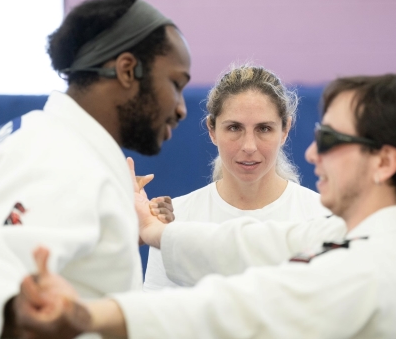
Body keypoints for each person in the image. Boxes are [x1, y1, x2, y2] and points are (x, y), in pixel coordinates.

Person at [13, 73, 396, 338]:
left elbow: (238, 306)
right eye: (234, 128)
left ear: (384, 162)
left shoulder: (366, 270)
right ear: (213, 129)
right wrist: (153, 232)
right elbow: (252, 242)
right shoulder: (361, 238)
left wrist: (87, 314)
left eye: (331, 140)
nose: (314, 154)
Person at [0, 0, 191, 339]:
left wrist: (113, 233)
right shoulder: (60, 158)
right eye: (175, 83)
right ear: (126, 70)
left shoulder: (44, 137)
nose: (181, 107)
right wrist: (13, 310)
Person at [143, 64, 335, 291]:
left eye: (264, 128)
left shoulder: (322, 218)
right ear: (212, 129)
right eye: (234, 128)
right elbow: (157, 312)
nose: (249, 146)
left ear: (285, 129)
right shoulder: (174, 218)